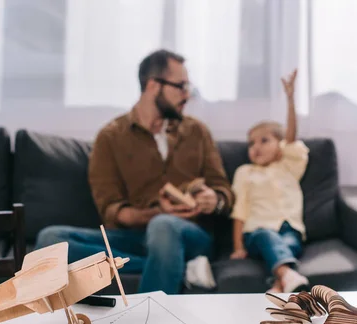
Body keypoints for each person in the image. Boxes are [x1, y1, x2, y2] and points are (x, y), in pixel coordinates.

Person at [35, 49, 234, 295]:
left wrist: (214, 200)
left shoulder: (197, 132)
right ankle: (172, 267)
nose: (186, 95)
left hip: (189, 235)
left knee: (164, 226)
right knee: (49, 241)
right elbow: (111, 210)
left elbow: (224, 191)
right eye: (181, 86)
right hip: (133, 240)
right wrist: (157, 211)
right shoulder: (110, 137)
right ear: (153, 86)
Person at [229, 69, 310, 293]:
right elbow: (239, 211)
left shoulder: (288, 166)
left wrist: (290, 100)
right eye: (251, 143)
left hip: (289, 230)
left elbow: (292, 139)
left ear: (280, 145)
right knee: (267, 236)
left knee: (290, 245)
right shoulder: (245, 172)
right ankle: (287, 275)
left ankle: (279, 285)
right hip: (256, 233)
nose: (256, 147)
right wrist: (238, 247)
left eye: (264, 140)